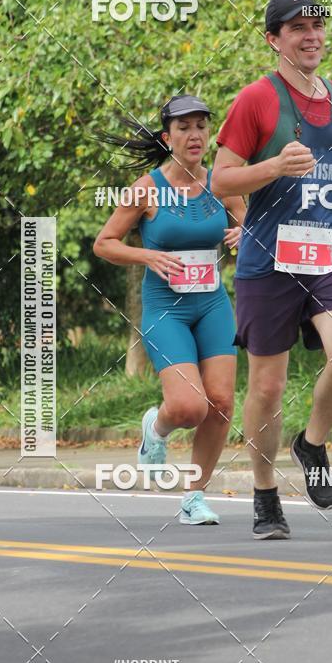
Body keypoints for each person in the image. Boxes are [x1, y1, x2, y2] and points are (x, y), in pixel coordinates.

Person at [212, 0, 332, 539]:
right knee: (266, 388)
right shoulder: (255, 100)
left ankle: (310, 444)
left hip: (328, 251)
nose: (312, 35)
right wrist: (274, 168)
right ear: (273, 39)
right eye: (298, 27)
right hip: (268, 258)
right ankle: (264, 495)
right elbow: (221, 177)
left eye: (318, 25)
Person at [94, 95, 245, 524]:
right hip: (166, 309)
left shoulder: (223, 184)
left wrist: (244, 237)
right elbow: (104, 243)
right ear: (168, 137)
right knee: (188, 408)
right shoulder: (146, 189)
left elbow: (249, 227)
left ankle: (193, 497)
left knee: (220, 402)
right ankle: (155, 429)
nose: (194, 134)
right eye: (184, 128)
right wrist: (148, 258)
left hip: (213, 304)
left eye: (201, 126)